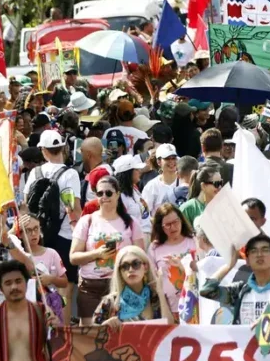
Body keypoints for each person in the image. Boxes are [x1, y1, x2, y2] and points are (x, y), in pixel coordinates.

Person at [23, 128, 82, 322]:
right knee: (66, 286)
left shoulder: (34, 172)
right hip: (65, 235)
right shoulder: (70, 173)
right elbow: (73, 206)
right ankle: (63, 331)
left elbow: (25, 205)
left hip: (37, 235)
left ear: (43, 150)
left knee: (37, 284)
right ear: (63, 148)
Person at [69, 175, 144, 324]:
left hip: (121, 285)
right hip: (91, 286)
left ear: (117, 194)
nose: (104, 197)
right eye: (100, 193)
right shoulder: (87, 221)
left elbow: (140, 256)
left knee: (122, 335)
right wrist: (97, 254)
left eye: (108, 193)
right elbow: (73, 257)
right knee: (90, 336)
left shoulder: (131, 222)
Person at [201, 233, 270, 326]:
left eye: (265, 250)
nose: (259, 255)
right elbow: (206, 290)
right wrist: (229, 265)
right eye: (253, 251)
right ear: (247, 260)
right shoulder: (240, 290)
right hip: (246, 349)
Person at [0, 260, 54, 361]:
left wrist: (56, 327)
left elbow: (62, 344)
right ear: (0, 289)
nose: (14, 287)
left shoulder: (41, 311)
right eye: (8, 283)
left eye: (18, 281)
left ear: (26, 283)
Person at [92, 245, 175, 328]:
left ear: (145, 267)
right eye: (125, 266)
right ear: (120, 272)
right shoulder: (110, 302)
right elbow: (90, 335)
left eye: (135, 264)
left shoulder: (156, 297)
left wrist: (160, 292)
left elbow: (170, 328)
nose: (131, 270)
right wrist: (105, 326)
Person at [13, 214, 68, 326]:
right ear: (20, 234)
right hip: (25, 307)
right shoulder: (16, 256)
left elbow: (65, 282)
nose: (33, 233)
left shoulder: (52, 253)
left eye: (36, 228)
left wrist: (51, 279)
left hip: (50, 307)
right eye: (28, 230)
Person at [148, 204, 197, 316]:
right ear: (160, 226)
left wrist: (183, 265)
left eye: (176, 222)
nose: (173, 227)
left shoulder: (194, 241)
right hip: (168, 308)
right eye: (168, 225)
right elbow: (152, 279)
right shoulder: (154, 247)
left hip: (193, 305)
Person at [113, 153, 151, 238]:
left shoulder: (135, 189)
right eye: (136, 169)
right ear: (128, 173)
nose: (140, 172)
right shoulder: (119, 197)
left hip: (146, 235)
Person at [188, 129, 234, 198]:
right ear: (221, 147)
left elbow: (192, 200)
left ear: (202, 147)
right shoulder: (233, 169)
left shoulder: (197, 169)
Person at [142, 143, 181, 217]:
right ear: (159, 161)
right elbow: (145, 216)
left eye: (173, 158)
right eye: (167, 158)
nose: (171, 161)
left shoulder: (185, 180)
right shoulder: (151, 187)